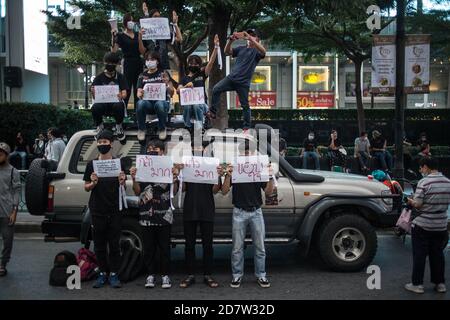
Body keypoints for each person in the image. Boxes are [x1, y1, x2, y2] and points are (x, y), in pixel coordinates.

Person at [221, 140, 275, 288]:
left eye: (249, 152)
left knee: (260, 247)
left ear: (253, 153)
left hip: (256, 211)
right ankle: (237, 275)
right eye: (244, 152)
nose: (246, 154)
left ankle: (261, 275)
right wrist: (228, 175)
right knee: (237, 247)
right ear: (239, 154)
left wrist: (269, 176)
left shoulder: (259, 169)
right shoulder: (236, 169)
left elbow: (269, 192)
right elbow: (224, 191)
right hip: (239, 211)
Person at [130, 139, 179, 289]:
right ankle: (150, 275)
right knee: (149, 247)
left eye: (156, 148)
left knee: (164, 247)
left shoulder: (168, 167)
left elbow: (174, 191)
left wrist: (175, 178)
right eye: (150, 148)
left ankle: (165, 276)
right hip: (146, 214)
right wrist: (133, 178)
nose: (152, 150)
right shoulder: (142, 167)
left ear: (162, 152)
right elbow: (137, 191)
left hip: (164, 214)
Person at [83, 130, 126, 289]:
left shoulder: (118, 163)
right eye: (100, 142)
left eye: (105, 142)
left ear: (111, 143)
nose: (102, 145)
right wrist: (93, 183)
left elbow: (123, 183)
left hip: (115, 209)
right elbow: (86, 187)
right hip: (97, 209)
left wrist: (122, 180)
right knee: (99, 244)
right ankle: (102, 273)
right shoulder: (91, 165)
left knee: (114, 244)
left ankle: (114, 274)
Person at [179, 141, 223, 289]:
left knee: (208, 245)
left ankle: (207, 275)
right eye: (194, 147)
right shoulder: (187, 166)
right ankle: (190, 275)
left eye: (200, 147)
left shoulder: (211, 166)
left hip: (207, 209)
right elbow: (183, 189)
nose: (197, 150)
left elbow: (216, 190)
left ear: (205, 149)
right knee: (189, 244)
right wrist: (181, 173)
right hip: (190, 209)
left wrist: (218, 176)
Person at [405, 157, 450, 294]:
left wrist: (410, 200)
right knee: (437, 255)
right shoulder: (448, 182)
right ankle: (440, 284)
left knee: (420, 255)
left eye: (421, 168)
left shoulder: (424, 182)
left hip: (423, 225)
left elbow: (418, 204)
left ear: (426, 167)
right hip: (441, 225)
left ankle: (417, 284)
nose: (420, 171)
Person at [209, 29, 266, 130]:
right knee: (216, 89)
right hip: (231, 78)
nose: (249, 37)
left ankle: (246, 128)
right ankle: (212, 112)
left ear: (258, 39)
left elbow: (263, 52)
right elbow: (227, 52)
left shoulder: (256, 52)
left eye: (253, 35)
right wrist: (231, 40)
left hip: (243, 83)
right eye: (249, 35)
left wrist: (251, 39)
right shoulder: (241, 48)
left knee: (245, 105)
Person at [177, 35, 220, 130]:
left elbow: (211, 63)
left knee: (197, 105)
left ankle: (200, 126)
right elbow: (178, 90)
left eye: (196, 63)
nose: (193, 65)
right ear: (188, 65)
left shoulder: (202, 74)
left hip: (201, 104)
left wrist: (216, 47)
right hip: (188, 105)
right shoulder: (184, 78)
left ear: (199, 65)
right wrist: (185, 87)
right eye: (191, 63)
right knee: (188, 107)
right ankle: (187, 126)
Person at [136, 51, 174, 141]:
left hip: (162, 102)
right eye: (148, 60)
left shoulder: (163, 73)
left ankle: (162, 128)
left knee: (159, 104)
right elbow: (138, 93)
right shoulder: (142, 75)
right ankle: (141, 129)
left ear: (157, 61)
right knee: (140, 103)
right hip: (148, 103)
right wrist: (140, 94)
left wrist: (167, 84)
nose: (150, 61)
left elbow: (172, 93)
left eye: (152, 59)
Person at [91, 52, 128, 143]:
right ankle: (100, 126)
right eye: (108, 63)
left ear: (116, 64)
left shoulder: (120, 77)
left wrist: (121, 95)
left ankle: (119, 126)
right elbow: (95, 96)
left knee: (119, 105)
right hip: (103, 104)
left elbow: (124, 93)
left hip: (115, 103)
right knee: (95, 107)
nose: (110, 65)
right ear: (104, 62)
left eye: (112, 63)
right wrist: (93, 92)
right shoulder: (98, 78)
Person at [111, 13, 146, 109]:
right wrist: (113, 37)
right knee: (127, 88)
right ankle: (123, 113)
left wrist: (139, 38)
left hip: (138, 62)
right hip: (127, 62)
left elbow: (143, 52)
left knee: (138, 88)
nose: (132, 22)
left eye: (133, 20)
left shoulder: (137, 34)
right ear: (125, 22)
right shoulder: (121, 36)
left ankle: (138, 114)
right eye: (130, 20)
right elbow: (114, 50)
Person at [0, 142, 21, 277]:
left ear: (6, 156)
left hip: (7, 211)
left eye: (0, 154)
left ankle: (2, 264)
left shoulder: (13, 171)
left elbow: (16, 192)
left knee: (7, 240)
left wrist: (14, 211)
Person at [141, 5, 182, 71]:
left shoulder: (164, 33)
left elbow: (179, 39)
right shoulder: (145, 34)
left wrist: (175, 24)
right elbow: (142, 50)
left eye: (159, 17)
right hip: (150, 68)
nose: (157, 18)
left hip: (164, 67)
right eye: (155, 16)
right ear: (150, 18)